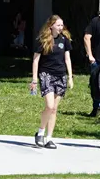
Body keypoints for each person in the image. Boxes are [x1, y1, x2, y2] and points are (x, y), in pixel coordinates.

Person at [29, 15, 73, 148]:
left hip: (60, 76)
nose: (61, 27)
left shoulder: (64, 40)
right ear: (51, 26)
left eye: (62, 25)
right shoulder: (43, 40)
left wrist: (70, 77)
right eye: (58, 25)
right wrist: (34, 79)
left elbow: (67, 59)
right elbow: (36, 60)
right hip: (46, 75)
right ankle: (40, 132)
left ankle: (49, 138)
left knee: (54, 109)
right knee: (49, 106)